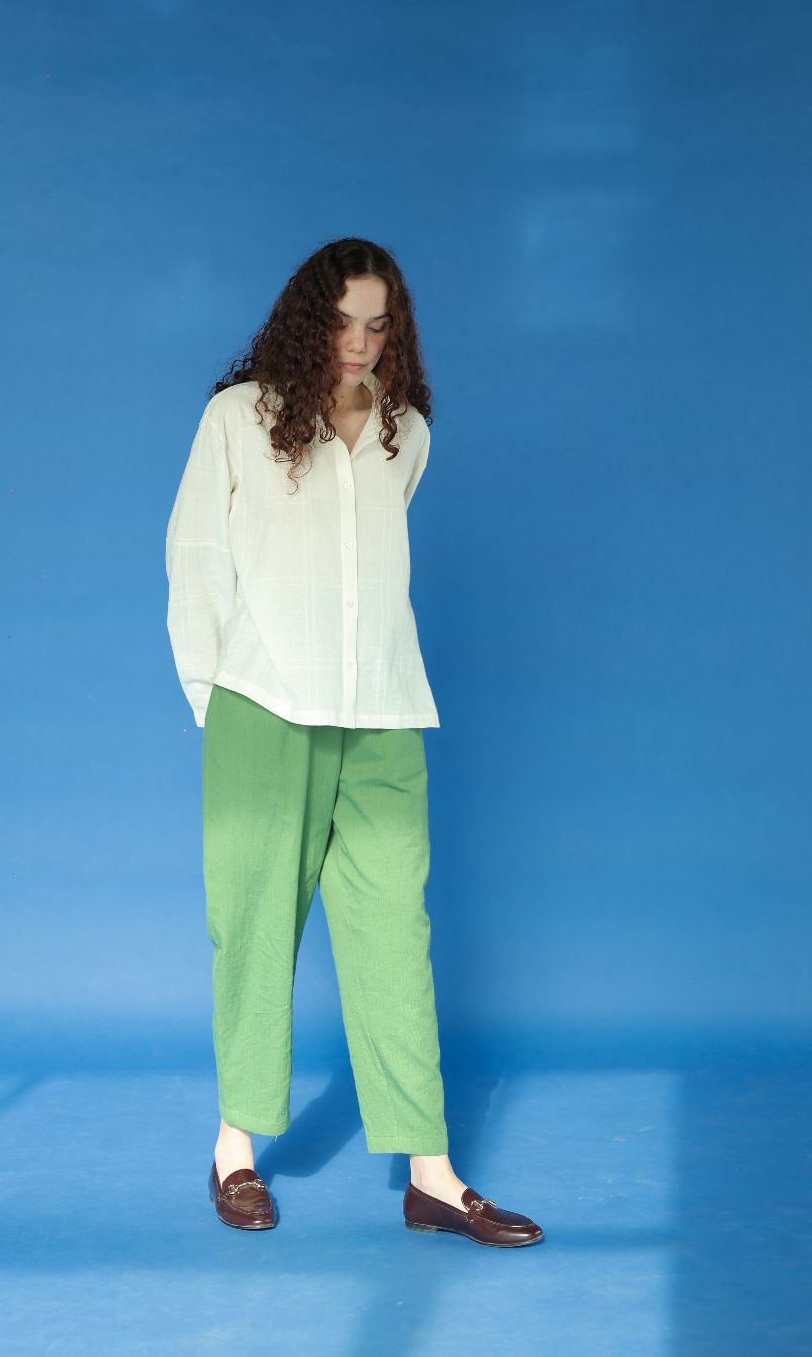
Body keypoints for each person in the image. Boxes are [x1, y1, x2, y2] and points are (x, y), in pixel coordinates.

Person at [164, 237, 543, 1249]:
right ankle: (234, 1151)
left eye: (378, 325)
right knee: (253, 926)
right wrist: (215, 704)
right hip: (262, 708)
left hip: (382, 708)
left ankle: (432, 1177)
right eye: (342, 323)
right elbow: (194, 559)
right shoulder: (237, 419)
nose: (360, 342)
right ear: (308, 319)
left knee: (393, 936)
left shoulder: (405, 433)